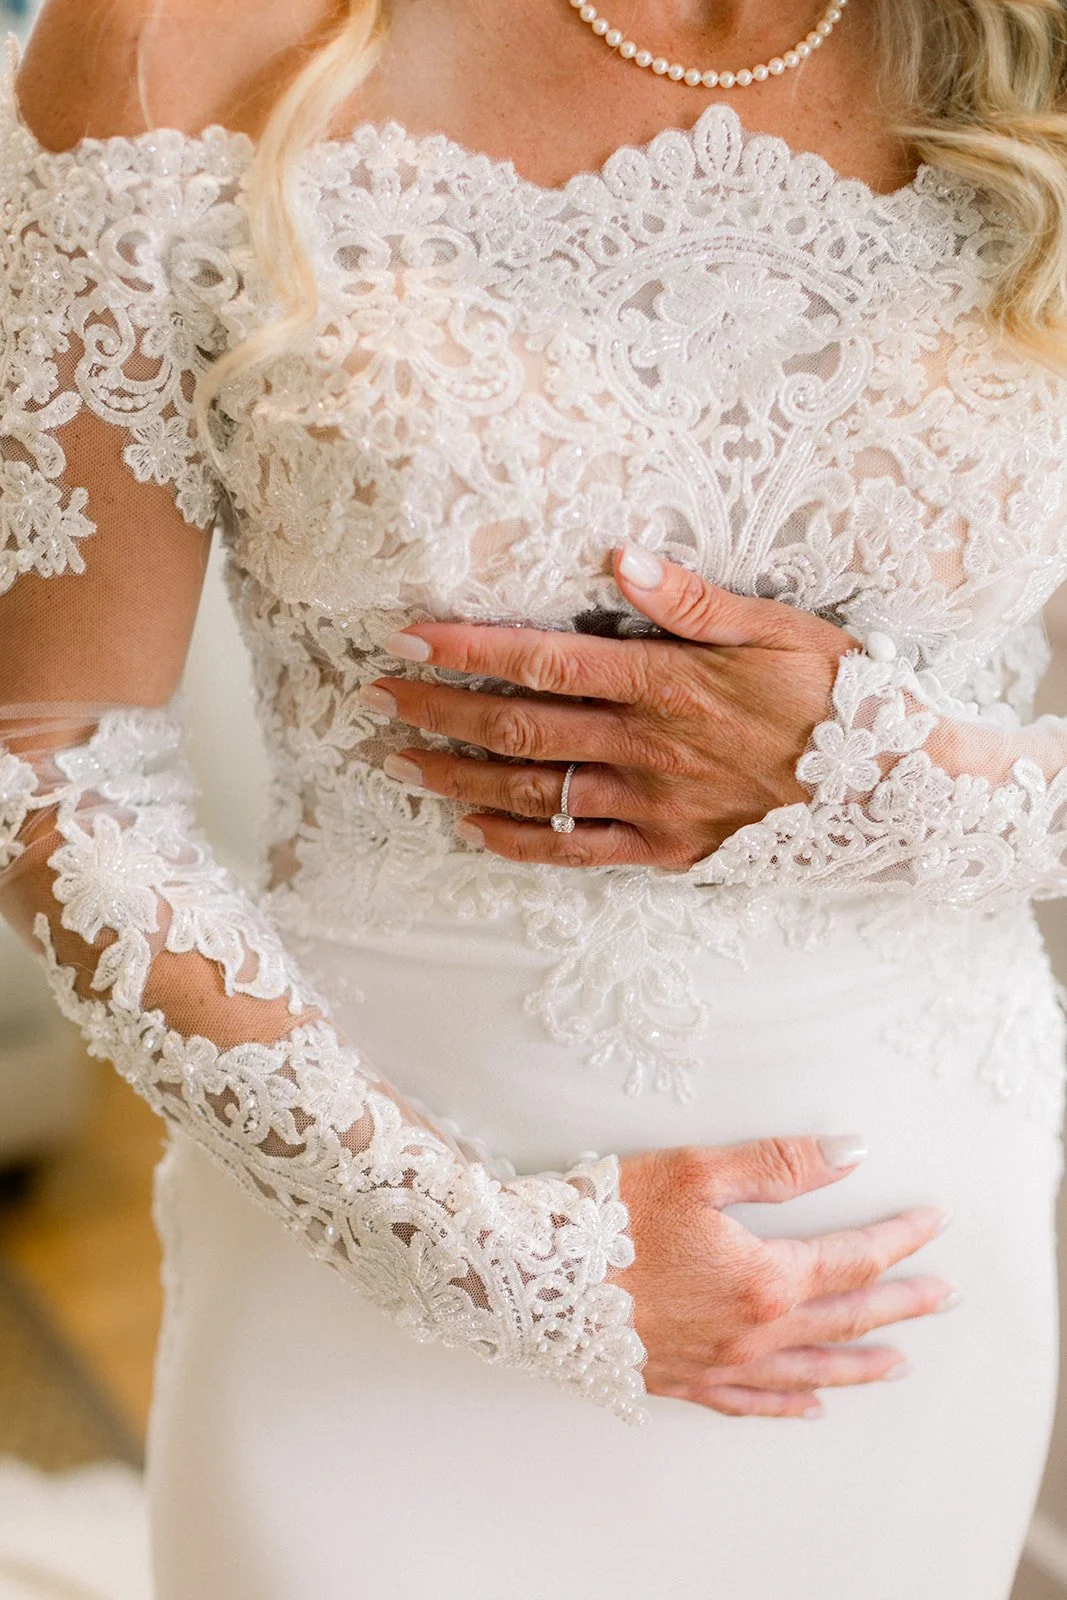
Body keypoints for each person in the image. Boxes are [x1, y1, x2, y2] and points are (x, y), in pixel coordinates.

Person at [0, 0, 1065, 1593]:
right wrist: (499, 1260)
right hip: (381, 1232)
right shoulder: (176, 38)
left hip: (881, 1266)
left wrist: (874, 777)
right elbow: (48, 740)